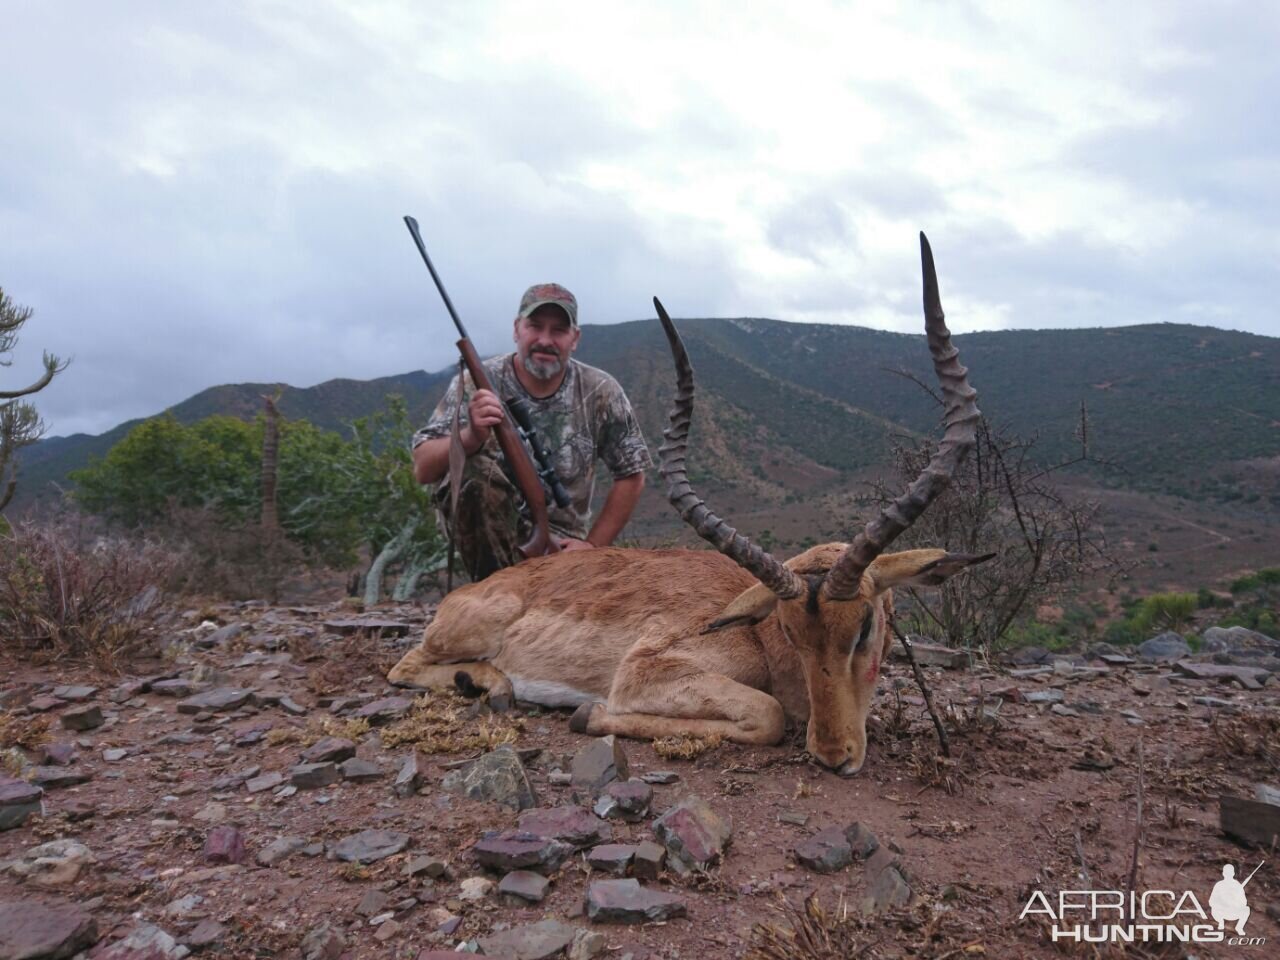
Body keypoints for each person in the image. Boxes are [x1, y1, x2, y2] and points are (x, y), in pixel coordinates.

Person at [412, 282, 651, 581]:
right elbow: (422, 468)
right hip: (485, 539)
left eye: (559, 331)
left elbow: (632, 475)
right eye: (535, 326)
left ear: (575, 338)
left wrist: (592, 546)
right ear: (516, 330)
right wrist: (470, 437)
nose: (545, 340)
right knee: (475, 470)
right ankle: (493, 592)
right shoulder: (476, 381)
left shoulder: (601, 390)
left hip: (563, 549)